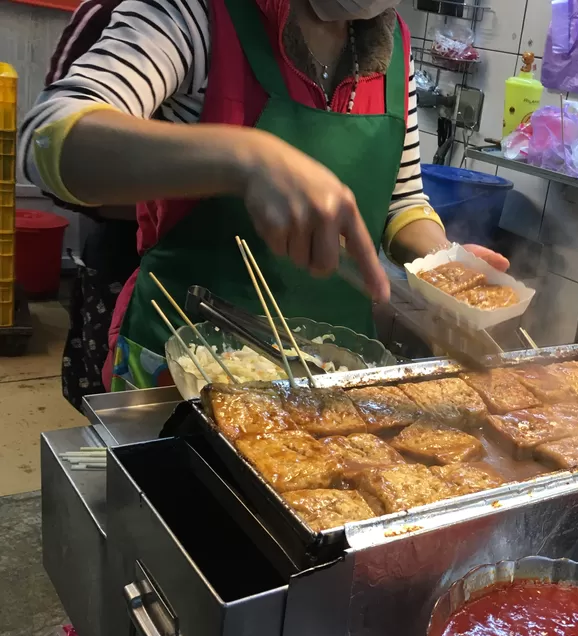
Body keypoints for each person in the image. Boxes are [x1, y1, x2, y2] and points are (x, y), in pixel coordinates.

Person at [19, 0, 506, 391]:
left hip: (333, 374)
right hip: (187, 367)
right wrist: (243, 159)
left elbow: (403, 200)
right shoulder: (196, 14)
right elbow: (46, 140)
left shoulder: (392, 43)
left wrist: (442, 264)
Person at [38, 0, 142, 408]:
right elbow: (51, 147)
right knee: (117, 409)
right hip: (126, 247)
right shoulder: (108, 13)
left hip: (231, 263)